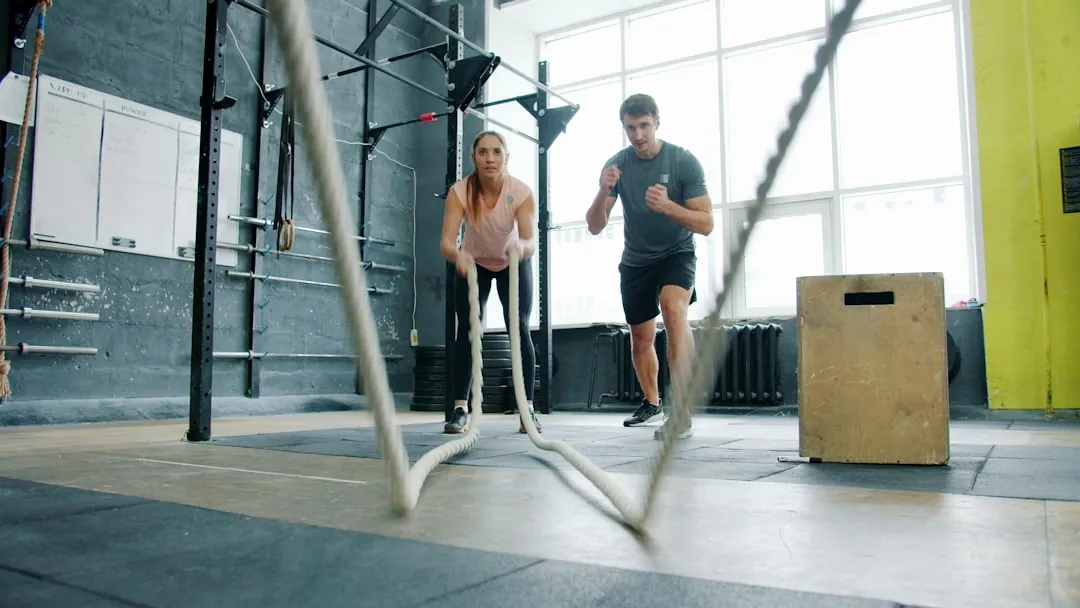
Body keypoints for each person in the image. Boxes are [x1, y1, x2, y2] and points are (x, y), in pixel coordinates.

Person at [585, 93, 714, 440]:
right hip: (636, 260)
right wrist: (603, 190)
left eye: (644, 126)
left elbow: (705, 223)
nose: (638, 134)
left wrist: (669, 207)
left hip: (676, 253)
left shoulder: (683, 161)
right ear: (623, 127)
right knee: (641, 338)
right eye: (631, 127)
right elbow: (595, 225)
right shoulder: (617, 165)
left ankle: (681, 411)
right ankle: (653, 402)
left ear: (657, 122)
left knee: (674, 313)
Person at [439, 130, 543, 436]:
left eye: (497, 152)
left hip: (513, 261)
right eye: (483, 152)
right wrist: (457, 255)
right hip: (474, 263)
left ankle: (527, 409)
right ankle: (460, 408)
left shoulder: (521, 192)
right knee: (468, 331)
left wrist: (521, 249)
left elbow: (530, 239)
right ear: (474, 158)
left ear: (506, 158)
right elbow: (446, 242)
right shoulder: (460, 192)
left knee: (518, 327)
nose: (490, 158)